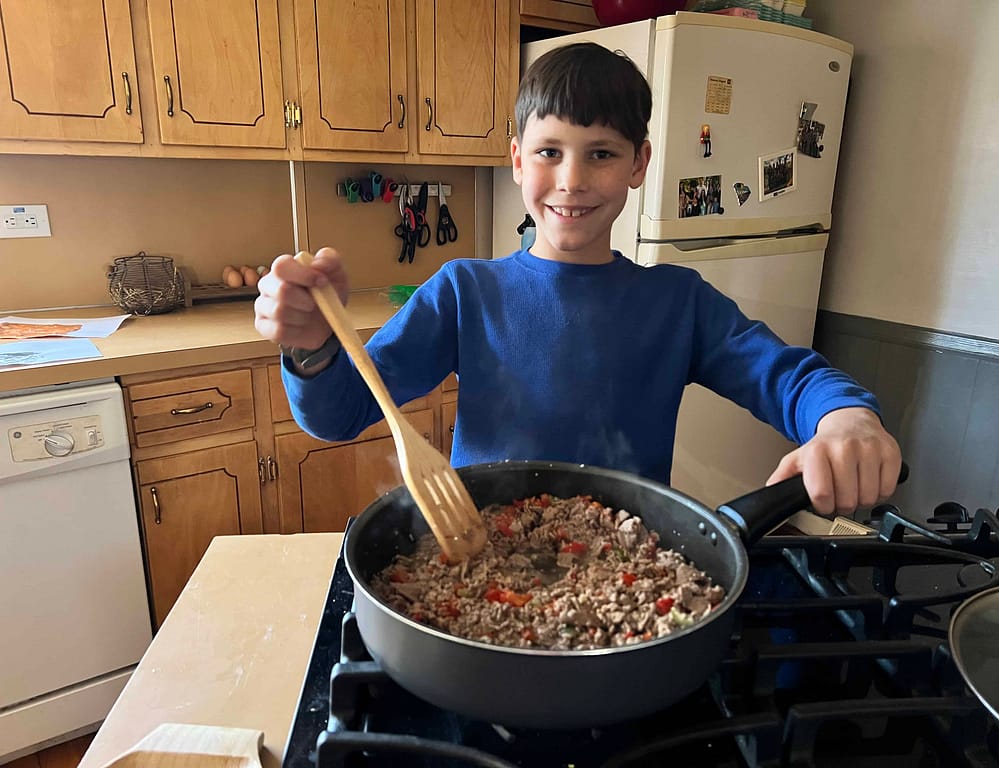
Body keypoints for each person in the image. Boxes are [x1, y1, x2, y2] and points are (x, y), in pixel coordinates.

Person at [254, 42, 902, 516]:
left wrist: (846, 419)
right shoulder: (464, 293)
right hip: (480, 552)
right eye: (549, 152)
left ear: (639, 164)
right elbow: (339, 415)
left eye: (601, 153)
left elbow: (792, 377)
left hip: (628, 565)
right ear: (516, 160)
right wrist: (313, 348)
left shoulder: (678, 304)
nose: (571, 181)